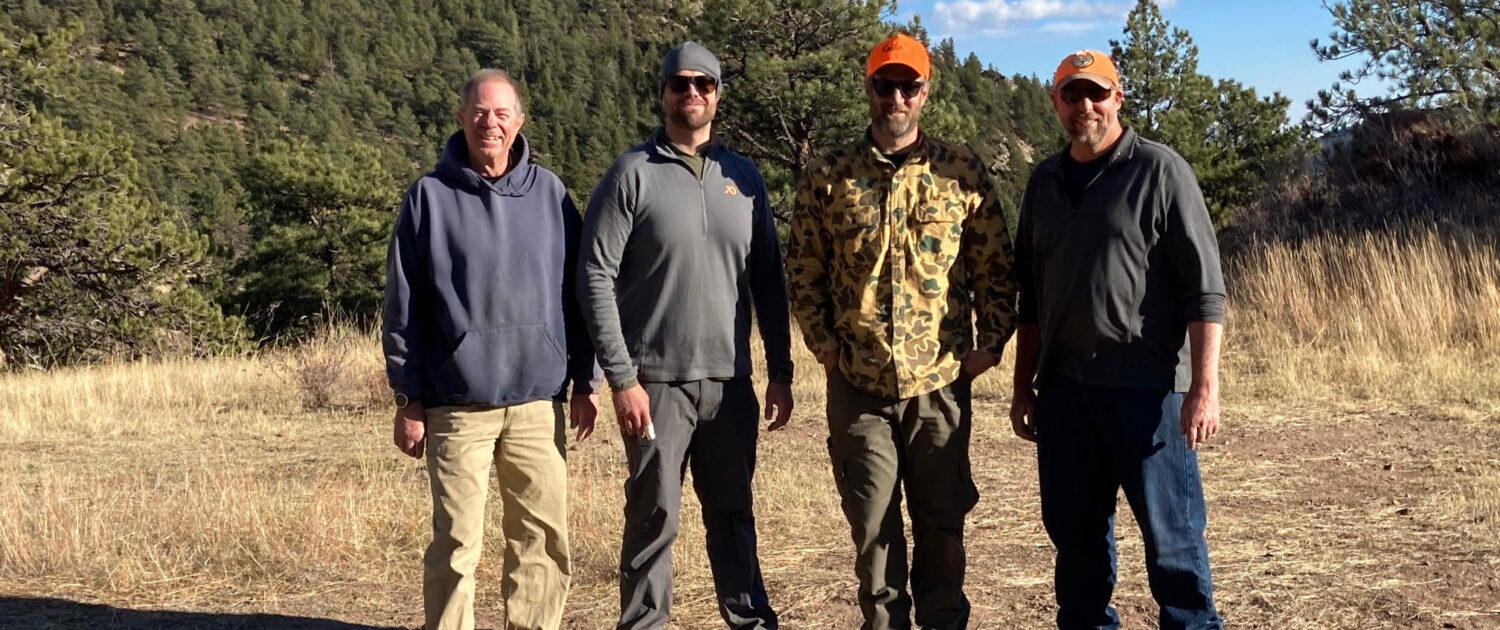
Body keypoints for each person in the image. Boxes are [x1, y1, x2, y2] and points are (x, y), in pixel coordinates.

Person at [785, 33, 1018, 630]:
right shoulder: (829, 175)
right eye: (885, 84)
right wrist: (825, 346)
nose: (896, 96)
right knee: (873, 532)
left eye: (908, 85)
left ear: (925, 91)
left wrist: (988, 346)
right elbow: (803, 267)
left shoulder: (960, 171)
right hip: (859, 387)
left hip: (938, 386)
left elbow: (996, 264)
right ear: (869, 88)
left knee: (942, 526)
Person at [576, 41, 795, 630]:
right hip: (655, 387)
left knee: (733, 514)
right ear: (664, 93)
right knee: (654, 519)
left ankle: (751, 621)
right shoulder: (631, 174)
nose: (691, 94)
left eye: (704, 84)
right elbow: (593, 275)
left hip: (731, 385)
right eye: (681, 84)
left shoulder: (743, 179)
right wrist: (620, 378)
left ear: (718, 95)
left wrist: (781, 371)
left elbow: (769, 281)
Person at [1009, 49, 1226, 630]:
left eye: (1097, 93)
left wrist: (1204, 389)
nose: (1085, 106)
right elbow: (1031, 296)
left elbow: (1205, 291)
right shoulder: (1044, 181)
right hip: (1064, 394)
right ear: (1055, 101)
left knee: (1174, 547)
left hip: (1148, 394)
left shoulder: (1161, 171)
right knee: (1077, 549)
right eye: (1072, 94)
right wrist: (1022, 386)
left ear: (1118, 98)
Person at [382, 68, 600, 630]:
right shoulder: (428, 198)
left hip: (538, 403)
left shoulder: (551, 194)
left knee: (542, 541)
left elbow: (580, 294)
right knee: (456, 546)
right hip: (457, 406)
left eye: (502, 113)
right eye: (479, 112)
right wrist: (409, 397)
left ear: (519, 122)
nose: (491, 123)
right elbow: (403, 304)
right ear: (460, 118)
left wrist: (587, 380)